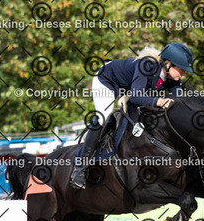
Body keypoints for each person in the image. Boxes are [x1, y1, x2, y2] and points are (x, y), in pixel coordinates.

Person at [70, 42, 194, 189]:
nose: (183, 74)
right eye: (181, 70)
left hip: (128, 87)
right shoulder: (147, 66)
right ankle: (80, 168)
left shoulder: (173, 80)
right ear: (168, 64)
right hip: (107, 81)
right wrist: (159, 101)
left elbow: (177, 103)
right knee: (104, 117)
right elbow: (136, 97)